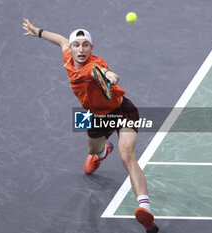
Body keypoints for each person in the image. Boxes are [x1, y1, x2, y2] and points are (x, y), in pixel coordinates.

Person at [22, 18, 159, 233]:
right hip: (95, 115)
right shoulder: (68, 55)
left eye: (86, 45)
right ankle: (102, 152)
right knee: (92, 150)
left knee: (127, 156)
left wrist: (111, 76)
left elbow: (105, 72)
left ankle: (145, 210)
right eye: (77, 44)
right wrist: (37, 31)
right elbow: (59, 40)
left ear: (91, 48)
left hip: (122, 111)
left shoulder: (95, 65)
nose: (81, 48)